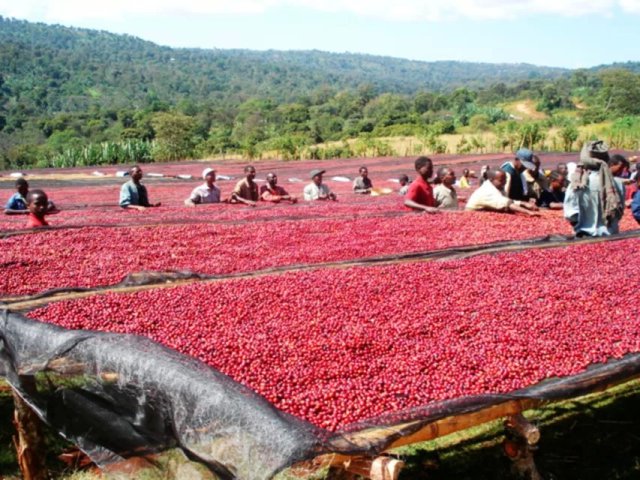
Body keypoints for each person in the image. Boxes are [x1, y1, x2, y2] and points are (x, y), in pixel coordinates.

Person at [564, 140, 624, 236]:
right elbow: (619, 212)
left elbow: (570, 214)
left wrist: (584, 222)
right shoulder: (617, 183)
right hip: (611, 236)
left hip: (585, 236)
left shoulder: (577, 183)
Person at [465, 170, 540, 216]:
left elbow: (506, 200)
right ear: (491, 180)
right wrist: (528, 212)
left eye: (505, 180)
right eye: (501, 180)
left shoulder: (498, 187)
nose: (505, 182)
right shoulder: (487, 191)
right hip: (472, 215)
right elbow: (507, 204)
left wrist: (524, 203)